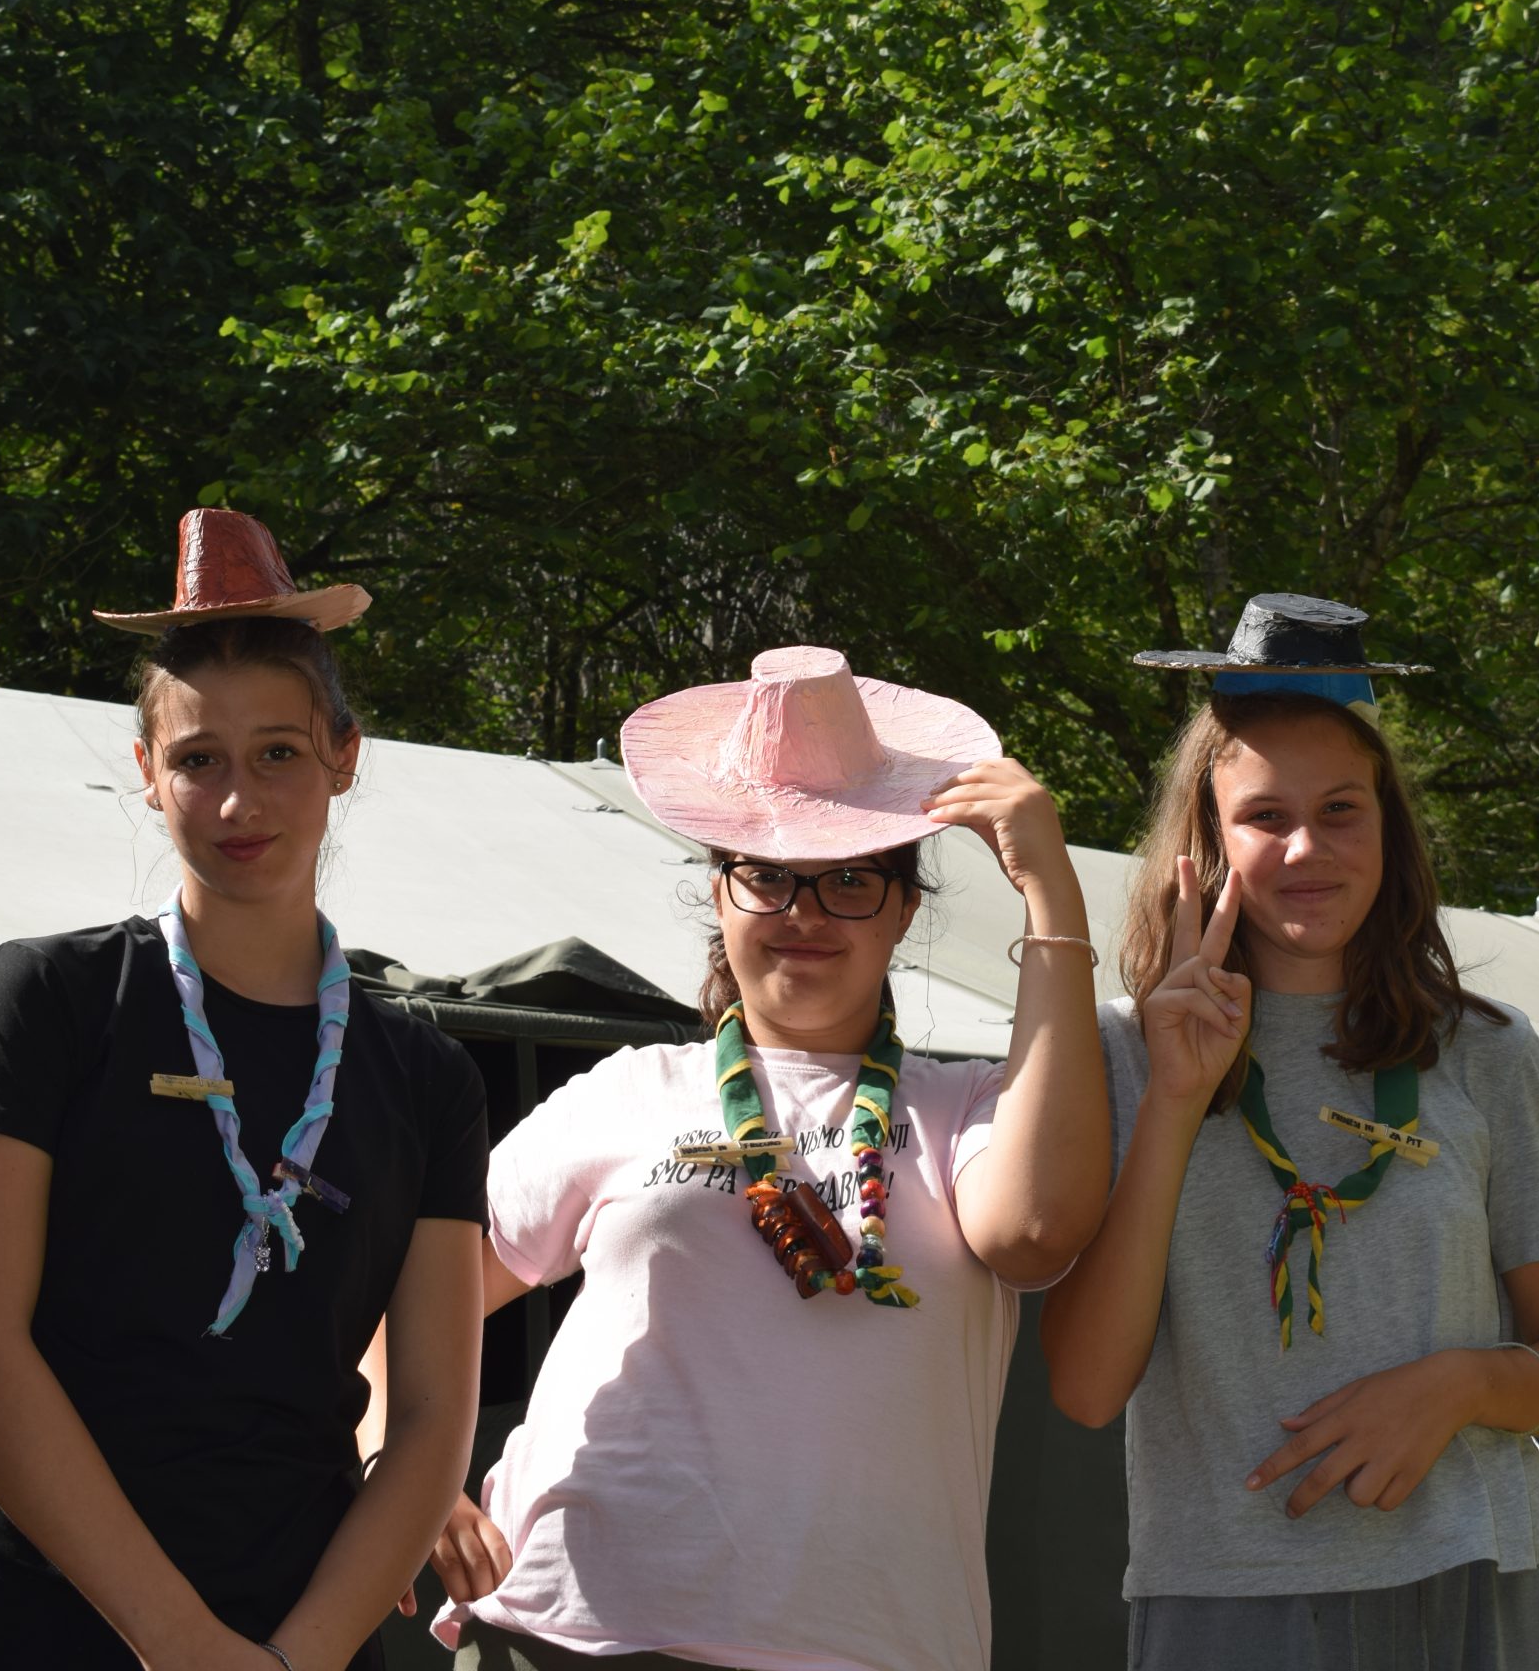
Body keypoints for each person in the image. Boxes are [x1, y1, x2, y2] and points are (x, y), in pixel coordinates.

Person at [413, 642, 1107, 1671]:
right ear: (720, 892)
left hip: (865, 1649)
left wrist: (1051, 890)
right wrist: (407, 1471)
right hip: (568, 1628)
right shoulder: (627, 1088)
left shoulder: (970, 1107)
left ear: (905, 907)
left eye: (849, 882)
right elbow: (412, 1300)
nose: (804, 915)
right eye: (768, 877)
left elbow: (1036, 1232)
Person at [1041, 592, 1539, 1671]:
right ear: (1205, 843)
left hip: (1486, 1583)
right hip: (1232, 1597)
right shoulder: (1118, 1052)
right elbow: (1082, 1389)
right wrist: (1174, 1100)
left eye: (1341, 809)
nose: (1307, 847)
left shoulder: (1490, 1052)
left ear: (1388, 827)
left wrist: (1458, 1385)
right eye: (1264, 816)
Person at [0, 508, 490, 1671]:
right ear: (147, 774)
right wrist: (179, 1641)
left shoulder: (428, 1077)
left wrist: (298, 1656)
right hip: (40, 1613)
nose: (239, 802)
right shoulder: (50, 997)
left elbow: (432, 1418)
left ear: (345, 756)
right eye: (199, 760)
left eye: (278, 753)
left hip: (303, 1630)